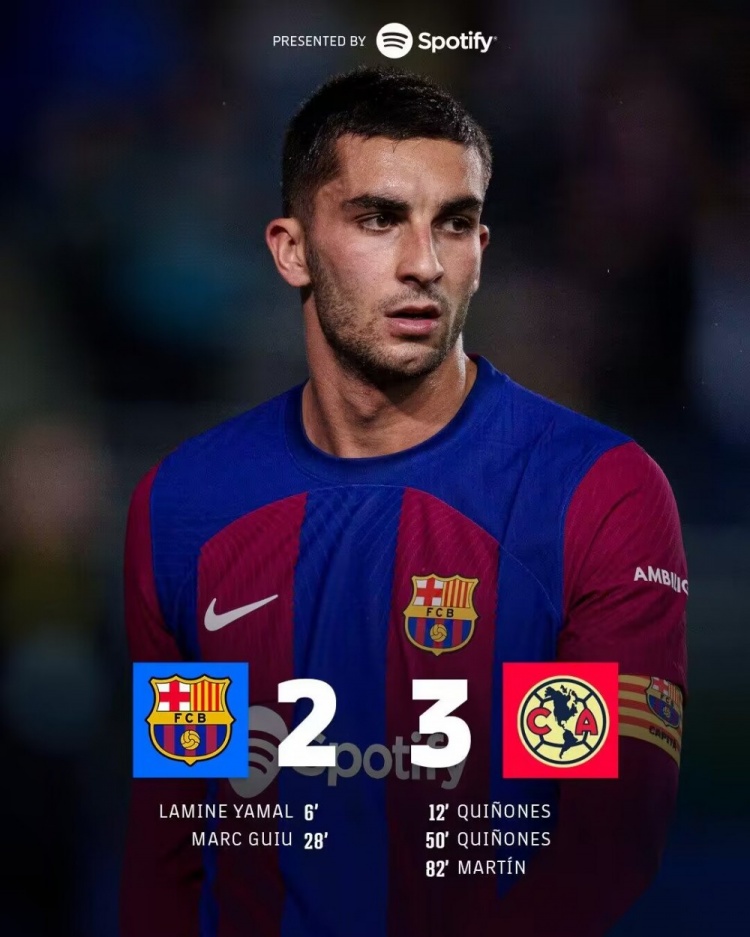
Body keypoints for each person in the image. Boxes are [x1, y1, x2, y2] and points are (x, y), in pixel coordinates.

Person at [121, 66, 687, 937]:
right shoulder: (186, 505)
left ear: (481, 250)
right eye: (379, 218)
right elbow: (176, 834)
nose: (424, 263)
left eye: (453, 223)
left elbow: (605, 837)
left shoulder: (594, 492)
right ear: (291, 250)